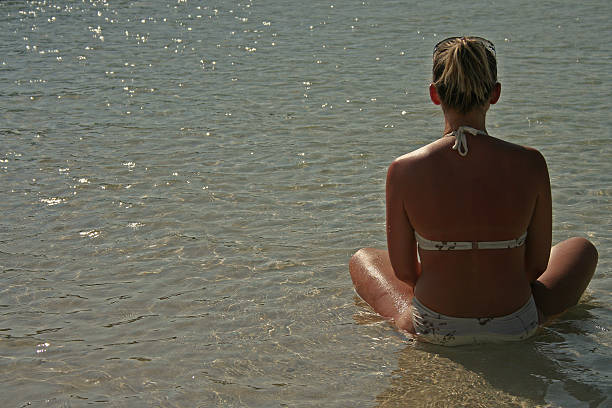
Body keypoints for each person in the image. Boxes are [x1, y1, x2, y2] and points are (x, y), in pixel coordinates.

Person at [349, 36, 598, 346]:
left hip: (435, 326)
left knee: (364, 258)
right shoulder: (530, 162)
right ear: (495, 93)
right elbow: (535, 267)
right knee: (581, 249)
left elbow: (405, 272)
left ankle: (412, 325)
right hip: (516, 322)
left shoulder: (404, 169)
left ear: (434, 94)